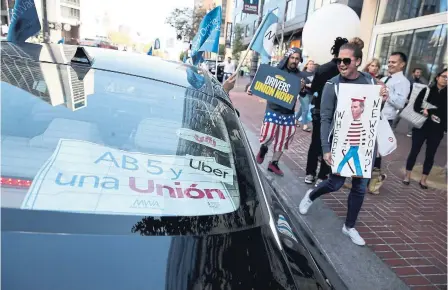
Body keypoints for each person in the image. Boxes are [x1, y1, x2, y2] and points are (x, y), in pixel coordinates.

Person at [298, 43, 389, 246]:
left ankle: (349, 227)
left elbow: (375, 110)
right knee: (335, 183)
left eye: (346, 60)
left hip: (365, 143)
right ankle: (311, 195)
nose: (341, 64)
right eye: (339, 60)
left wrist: (383, 98)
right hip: (340, 142)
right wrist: (325, 148)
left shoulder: (370, 82)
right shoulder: (332, 85)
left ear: (357, 61)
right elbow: (325, 118)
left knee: (359, 187)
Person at [304, 37, 348, 186]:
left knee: (315, 142)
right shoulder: (346, 71)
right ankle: (323, 175)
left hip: (320, 110)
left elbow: (314, 88)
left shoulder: (322, 68)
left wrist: (308, 86)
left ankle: (310, 173)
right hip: (339, 113)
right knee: (331, 144)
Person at [256, 47, 305, 176]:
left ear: (300, 60)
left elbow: (303, 94)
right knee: (268, 135)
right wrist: (252, 88)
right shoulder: (276, 70)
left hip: (288, 112)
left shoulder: (299, 77)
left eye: (297, 59)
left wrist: (302, 88)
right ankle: (263, 148)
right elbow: (263, 83)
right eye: (292, 58)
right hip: (273, 109)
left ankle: (274, 163)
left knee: (284, 139)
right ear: (288, 57)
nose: (294, 60)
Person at [403, 69, 447, 189]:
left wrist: (444, 125)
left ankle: (423, 180)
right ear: (437, 77)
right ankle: (407, 176)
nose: (445, 79)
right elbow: (416, 106)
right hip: (421, 126)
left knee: (430, 155)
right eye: (443, 76)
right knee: (414, 151)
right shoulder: (427, 90)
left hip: (437, 130)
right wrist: (424, 111)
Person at [373, 52, 410, 170]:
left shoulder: (403, 82)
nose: (390, 64)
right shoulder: (384, 78)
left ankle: (372, 183)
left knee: (377, 152)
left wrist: (387, 93)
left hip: (385, 120)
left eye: (393, 62)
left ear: (402, 64)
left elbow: (400, 104)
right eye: (389, 62)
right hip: (373, 116)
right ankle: (364, 181)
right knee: (369, 150)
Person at [336, 97, 367, 177]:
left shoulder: (361, 123)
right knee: (355, 160)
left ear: (362, 109)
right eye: (352, 107)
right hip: (352, 145)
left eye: (355, 107)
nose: (353, 110)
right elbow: (348, 134)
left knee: (346, 159)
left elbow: (363, 134)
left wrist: (363, 146)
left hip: (355, 146)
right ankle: (359, 173)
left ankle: (338, 170)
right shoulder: (351, 122)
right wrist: (345, 143)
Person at [296, 59, 316, 132]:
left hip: (311, 94)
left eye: (312, 64)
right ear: (307, 65)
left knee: (302, 109)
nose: (311, 65)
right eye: (310, 64)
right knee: (306, 109)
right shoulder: (303, 73)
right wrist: (308, 85)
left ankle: (295, 120)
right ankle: (305, 125)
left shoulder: (315, 73)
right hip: (304, 93)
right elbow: (299, 83)